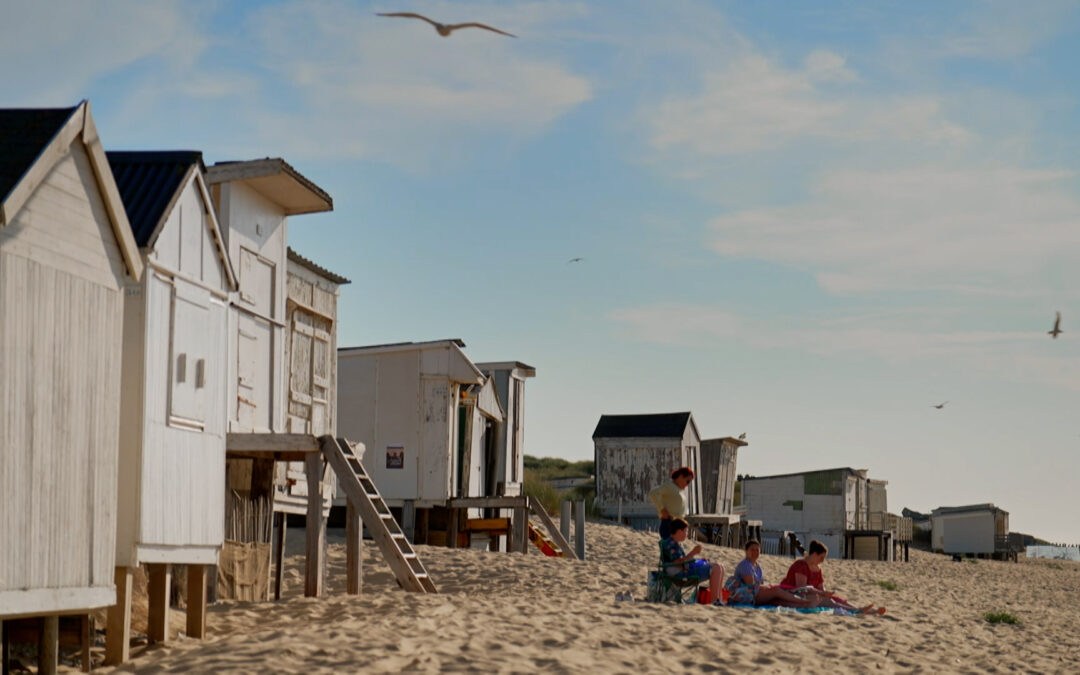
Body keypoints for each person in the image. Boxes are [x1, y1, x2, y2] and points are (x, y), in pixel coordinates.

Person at [779, 540, 886, 615]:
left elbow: (821, 588)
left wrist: (826, 593)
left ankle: (868, 611)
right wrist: (822, 594)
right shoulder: (801, 565)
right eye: (821, 557)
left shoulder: (817, 568)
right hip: (794, 594)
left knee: (839, 600)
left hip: (811, 594)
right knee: (829, 602)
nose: (822, 561)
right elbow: (801, 589)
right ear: (814, 554)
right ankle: (856, 611)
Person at [723, 540, 820, 608]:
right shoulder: (745, 564)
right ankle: (803, 601)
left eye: (757, 550)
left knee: (776, 600)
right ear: (746, 551)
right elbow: (751, 585)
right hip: (745, 594)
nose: (755, 552)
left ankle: (805, 605)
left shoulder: (758, 566)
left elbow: (759, 584)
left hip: (754, 593)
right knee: (776, 591)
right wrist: (767, 588)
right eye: (752, 549)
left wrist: (766, 587)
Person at [660, 518, 726, 603]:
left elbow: (684, 560)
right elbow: (678, 563)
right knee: (716, 568)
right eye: (685, 531)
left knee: (721, 567)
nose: (686, 534)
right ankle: (714, 601)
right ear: (679, 531)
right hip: (681, 574)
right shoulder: (670, 544)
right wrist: (693, 553)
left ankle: (718, 600)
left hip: (685, 570)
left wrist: (699, 561)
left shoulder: (678, 543)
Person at [649, 466, 694, 539]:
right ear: (681, 476)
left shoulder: (678, 489)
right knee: (670, 548)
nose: (687, 484)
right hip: (669, 523)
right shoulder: (669, 486)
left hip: (678, 525)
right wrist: (662, 509)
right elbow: (653, 493)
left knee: (675, 549)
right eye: (687, 481)